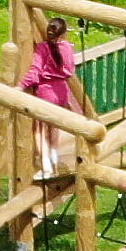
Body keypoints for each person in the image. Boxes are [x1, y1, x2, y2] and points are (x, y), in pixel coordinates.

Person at [26, 16, 83, 179]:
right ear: (64, 34)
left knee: (39, 130)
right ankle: (54, 160)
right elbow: (70, 70)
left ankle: (46, 167)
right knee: (54, 127)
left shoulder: (43, 48)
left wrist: (21, 85)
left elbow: (34, 72)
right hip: (62, 92)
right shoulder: (67, 47)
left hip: (46, 92)